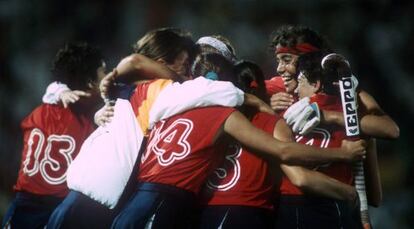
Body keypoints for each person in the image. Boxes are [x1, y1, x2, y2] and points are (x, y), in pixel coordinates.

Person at [110, 53, 366, 229]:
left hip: (144, 202)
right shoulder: (227, 115)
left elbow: (134, 66)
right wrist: (343, 154)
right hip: (189, 206)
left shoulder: (167, 105)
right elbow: (284, 152)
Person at [198, 60, 358, 229]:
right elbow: (298, 173)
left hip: (207, 207)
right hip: (252, 210)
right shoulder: (274, 122)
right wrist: (345, 167)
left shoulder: (213, 117)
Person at [1, 42, 105, 229]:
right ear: (91, 83)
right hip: (56, 211)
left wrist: (60, 90)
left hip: (21, 205)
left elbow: (52, 89)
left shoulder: (38, 112)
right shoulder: (90, 121)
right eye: (104, 71)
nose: (109, 76)